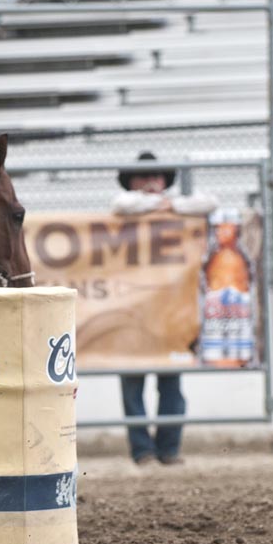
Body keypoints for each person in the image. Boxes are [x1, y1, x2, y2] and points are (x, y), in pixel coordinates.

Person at [112, 151, 218, 466]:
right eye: (144, 176)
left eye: (156, 176)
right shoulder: (124, 205)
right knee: (134, 384)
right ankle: (143, 451)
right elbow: (122, 204)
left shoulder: (172, 204)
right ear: (131, 181)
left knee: (170, 383)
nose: (151, 182)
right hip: (133, 308)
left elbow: (210, 201)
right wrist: (165, 205)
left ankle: (168, 450)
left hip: (171, 310)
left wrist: (168, 204)